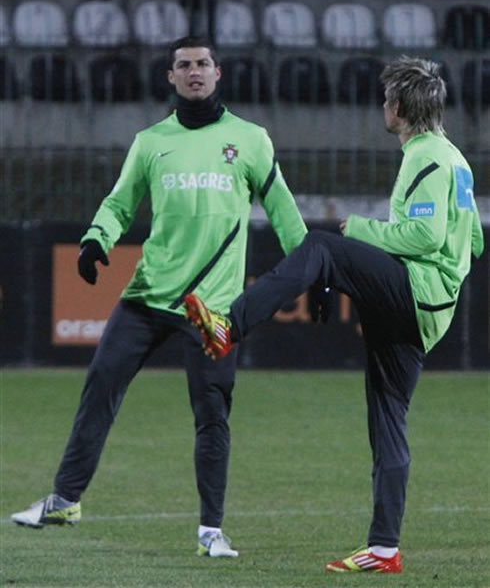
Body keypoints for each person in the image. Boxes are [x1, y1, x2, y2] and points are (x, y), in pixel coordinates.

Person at [183, 56, 484, 572]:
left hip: (417, 294)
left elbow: (427, 237)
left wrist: (363, 229)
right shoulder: (454, 157)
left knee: (323, 245)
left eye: (387, 97)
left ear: (401, 107)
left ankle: (230, 324)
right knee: (388, 420)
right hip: (431, 309)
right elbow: (472, 240)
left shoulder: (425, 155)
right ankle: (384, 550)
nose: (382, 105)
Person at [11, 36, 308, 557]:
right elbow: (120, 202)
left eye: (202, 64)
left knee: (212, 415)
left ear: (218, 73)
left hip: (211, 309)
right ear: (171, 77)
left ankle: (211, 531)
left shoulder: (251, 140)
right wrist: (95, 238)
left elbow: (283, 211)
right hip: (148, 296)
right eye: (183, 65)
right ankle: (65, 499)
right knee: (100, 385)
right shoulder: (151, 142)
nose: (194, 72)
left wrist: (311, 267)